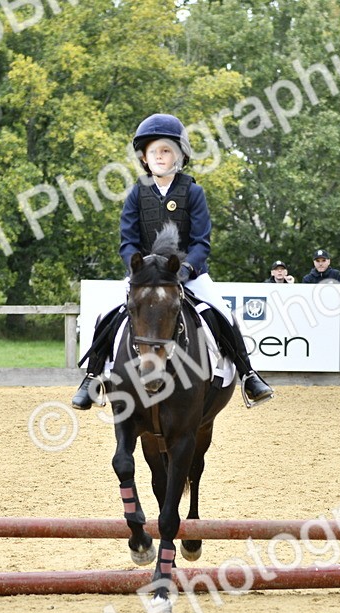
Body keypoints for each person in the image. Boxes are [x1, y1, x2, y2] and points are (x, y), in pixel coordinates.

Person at [71, 113, 274, 410]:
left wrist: (188, 269)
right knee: (106, 314)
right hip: (144, 276)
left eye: (166, 150)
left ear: (179, 155)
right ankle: (92, 376)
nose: (160, 156)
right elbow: (127, 240)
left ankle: (249, 375)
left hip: (188, 274)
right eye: (154, 151)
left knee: (223, 313)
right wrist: (136, 267)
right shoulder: (136, 193)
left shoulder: (193, 192)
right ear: (144, 158)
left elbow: (201, 241)